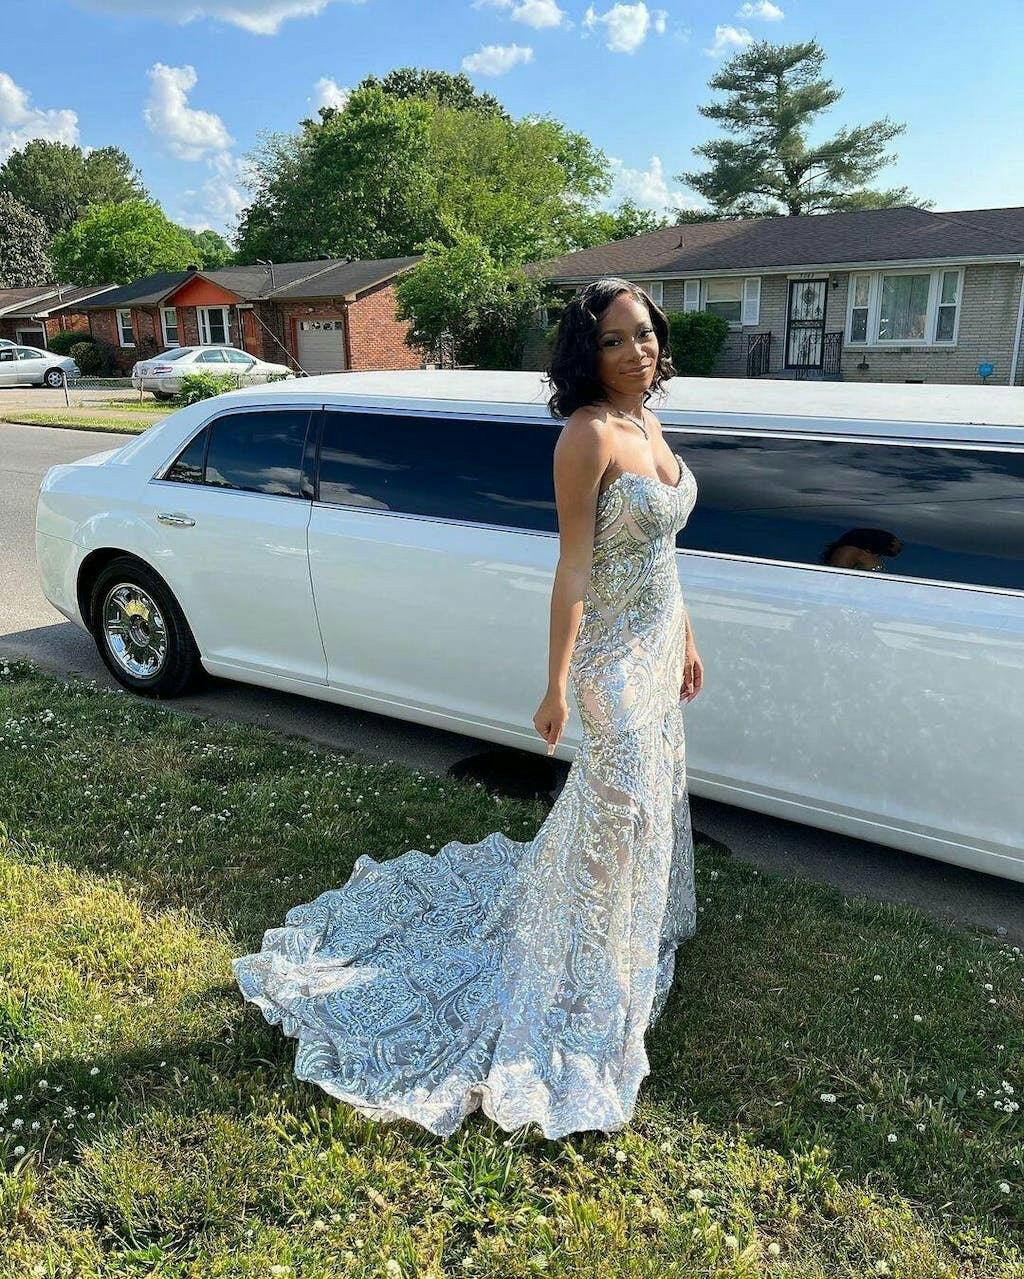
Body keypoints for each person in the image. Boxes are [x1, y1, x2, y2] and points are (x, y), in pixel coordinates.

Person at [231, 276, 705, 1140]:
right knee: (621, 812)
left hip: (657, 649)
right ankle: (589, 971)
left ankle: (618, 942)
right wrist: (557, 682)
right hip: (608, 663)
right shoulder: (588, 434)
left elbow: (660, 556)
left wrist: (688, 641)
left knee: (642, 814)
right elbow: (574, 568)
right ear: (587, 352)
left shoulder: (648, 421)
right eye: (614, 339)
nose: (636, 351)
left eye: (644, 333)